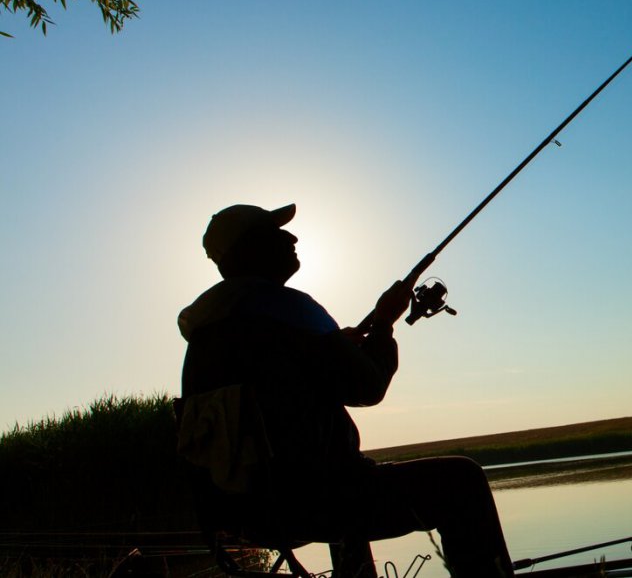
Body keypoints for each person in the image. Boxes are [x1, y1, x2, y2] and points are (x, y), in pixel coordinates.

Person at [177, 203, 514, 577]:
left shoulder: (205, 336)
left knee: (340, 472)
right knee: (462, 480)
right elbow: (367, 386)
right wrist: (384, 324)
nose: (292, 237)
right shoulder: (291, 310)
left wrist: (338, 345)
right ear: (250, 247)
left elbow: (285, 387)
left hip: (240, 512)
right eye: (276, 233)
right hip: (317, 502)